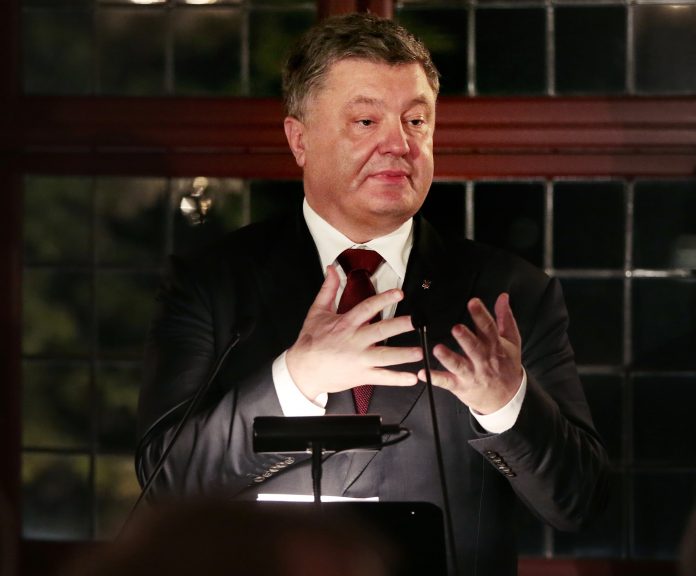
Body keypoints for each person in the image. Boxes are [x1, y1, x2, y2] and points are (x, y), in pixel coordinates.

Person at [136, 12, 609, 575]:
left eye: (416, 121)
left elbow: (579, 502)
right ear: (299, 140)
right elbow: (165, 482)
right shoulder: (213, 282)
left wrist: (507, 403)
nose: (399, 145)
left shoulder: (509, 292)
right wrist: (296, 379)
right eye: (366, 121)